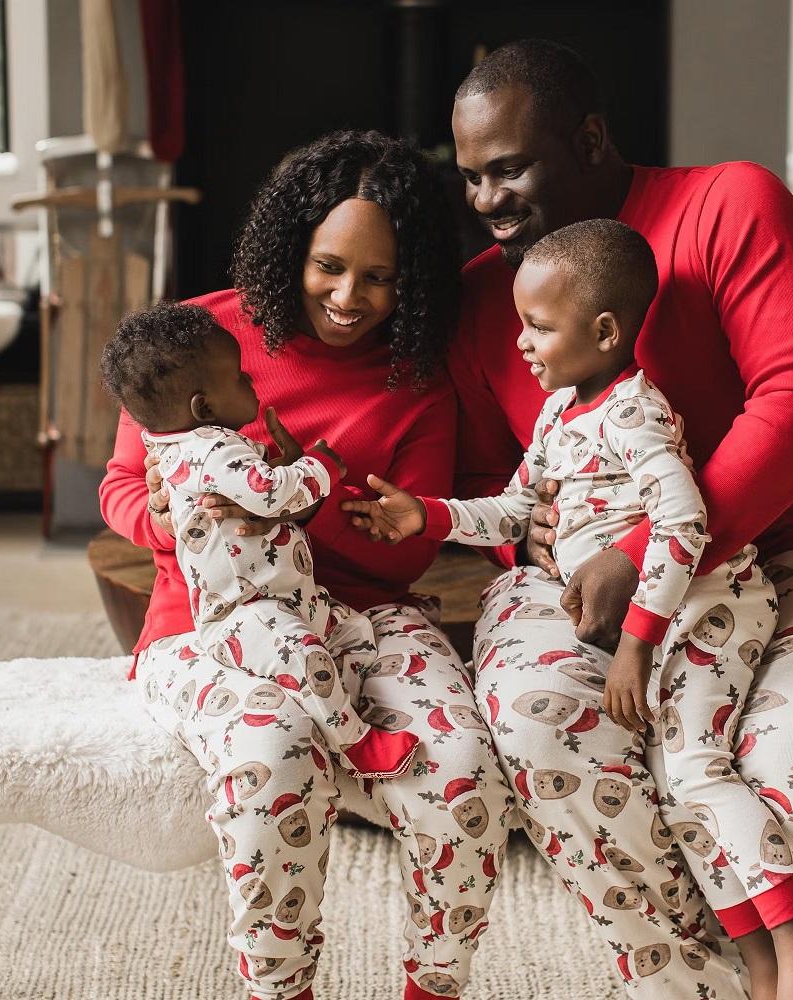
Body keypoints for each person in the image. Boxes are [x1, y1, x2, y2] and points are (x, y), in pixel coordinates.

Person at [447, 38, 793, 1000]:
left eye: (509, 168)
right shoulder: (486, 298)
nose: (486, 199)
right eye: (470, 178)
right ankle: (701, 980)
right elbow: (500, 479)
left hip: (792, 556)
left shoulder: (730, 203)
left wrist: (645, 549)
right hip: (581, 584)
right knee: (540, 724)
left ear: (592, 138)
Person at [349, 215, 793, 995]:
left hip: (704, 603)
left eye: (539, 327)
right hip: (654, 616)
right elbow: (516, 511)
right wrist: (430, 515)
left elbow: (685, 523)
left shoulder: (633, 411)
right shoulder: (558, 413)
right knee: (672, 780)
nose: (520, 344)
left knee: (693, 767)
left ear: (607, 330)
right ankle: (756, 960)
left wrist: (636, 646)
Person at [99, 130, 513, 1000]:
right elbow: (121, 485)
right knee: (274, 753)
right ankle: (281, 991)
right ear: (292, 248)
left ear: (416, 280)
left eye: (380, 276)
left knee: (463, 766)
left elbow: (402, 550)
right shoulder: (197, 339)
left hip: (365, 616)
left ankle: (434, 985)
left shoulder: (420, 382)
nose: (348, 297)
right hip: (211, 628)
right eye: (329, 266)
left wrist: (301, 491)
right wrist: (165, 519)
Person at [100, 301, 420, 779]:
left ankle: (333, 691)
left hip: (283, 595)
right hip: (243, 612)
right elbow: (272, 494)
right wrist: (322, 465)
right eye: (240, 378)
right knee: (306, 655)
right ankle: (357, 743)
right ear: (203, 407)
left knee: (349, 633)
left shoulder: (190, 445)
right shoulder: (210, 451)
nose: (252, 382)